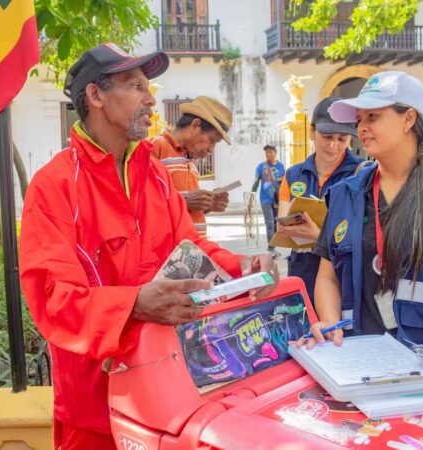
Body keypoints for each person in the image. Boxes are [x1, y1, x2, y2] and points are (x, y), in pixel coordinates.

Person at [18, 43, 279, 450]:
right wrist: (135, 304)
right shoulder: (54, 186)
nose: (151, 98)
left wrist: (241, 266)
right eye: (137, 86)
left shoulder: (154, 175)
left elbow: (190, 246)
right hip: (93, 410)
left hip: (169, 396)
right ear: (96, 96)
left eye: (148, 86)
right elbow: (53, 300)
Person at [297, 71, 423, 389]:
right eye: (359, 118)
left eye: (374, 116)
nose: (361, 127)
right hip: (361, 367)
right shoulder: (345, 194)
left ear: (408, 119)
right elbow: (327, 276)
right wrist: (328, 321)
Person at [275, 96, 363, 303]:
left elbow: (365, 236)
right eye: (327, 136)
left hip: (342, 280)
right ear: (311, 132)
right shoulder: (293, 174)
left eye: (342, 139)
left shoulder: (362, 173)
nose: (333, 145)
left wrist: (318, 238)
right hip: (302, 273)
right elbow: (283, 225)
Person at [151, 97, 232, 238]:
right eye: (212, 141)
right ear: (195, 125)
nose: (211, 150)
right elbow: (144, 202)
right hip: (171, 251)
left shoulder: (190, 162)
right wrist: (185, 201)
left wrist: (208, 205)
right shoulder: (157, 147)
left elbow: (186, 211)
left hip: (193, 247)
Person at [252, 145, 285, 254]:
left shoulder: (281, 166)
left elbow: (284, 182)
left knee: (276, 224)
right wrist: (252, 195)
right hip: (265, 199)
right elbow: (256, 182)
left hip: (277, 198)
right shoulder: (261, 166)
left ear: (275, 152)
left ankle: (273, 247)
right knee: (270, 223)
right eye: (266, 153)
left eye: (270, 152)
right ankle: (270, 249)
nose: (268, 154)